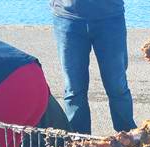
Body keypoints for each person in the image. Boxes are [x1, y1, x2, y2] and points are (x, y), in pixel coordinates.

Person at [50, 0, 137, 134]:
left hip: (110, 18)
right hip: (67, 17)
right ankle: (79, 144)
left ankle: (128, 139)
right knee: (74, 89)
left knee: (117, 86)